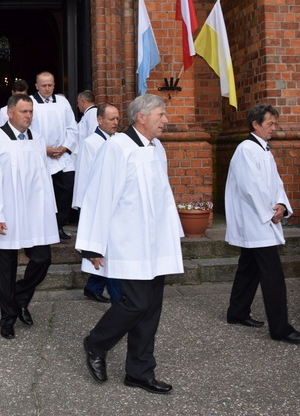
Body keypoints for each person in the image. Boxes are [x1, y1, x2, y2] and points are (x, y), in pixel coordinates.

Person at [77, 94, 183, 395]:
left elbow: (162, 196)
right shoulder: (116, 148)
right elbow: (99, 195)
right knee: (136, 303)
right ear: (141, 117)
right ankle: (97, 342)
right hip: (128, 242)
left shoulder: (156, 148)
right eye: (160, 115)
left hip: (156, 243)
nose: (165, 120)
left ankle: (139, 371)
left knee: (151, 308)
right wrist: (93, 246)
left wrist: (171, 234)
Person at [0, 94, 59, 339]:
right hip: (5, 212)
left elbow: (42, 179)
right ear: (10, 113)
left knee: (42, 259)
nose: (29, 116)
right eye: (24, 111)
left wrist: (48, 212)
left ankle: (20, 297)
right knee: (5, 268)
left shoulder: (37, 139)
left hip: (33, 213)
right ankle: (7, 317)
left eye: (31, 111)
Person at [225, 104, 300, 344]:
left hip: (264, 218)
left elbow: (275, 182)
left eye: (275, 123)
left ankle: (237, 312)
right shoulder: (246, 149)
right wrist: (269, 213)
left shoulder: (263, 149)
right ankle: (280, 329)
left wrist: (282, 205)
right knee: (273, 275)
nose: (274, 128)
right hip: (255, 221)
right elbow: (250, 187)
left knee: (249, 268)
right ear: (255, 124)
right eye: (270, 124)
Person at [72, 103, 122, 304]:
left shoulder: (119, 141)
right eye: (111, 119)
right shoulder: (90, 143)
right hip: (97, 203)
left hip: (113, 203)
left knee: (109, 249)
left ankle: (94, 286)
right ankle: (117, 296)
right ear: (99, 120)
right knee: (104, 248)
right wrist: (86, 206)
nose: (116, 123)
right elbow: (85, 175)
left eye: (118, 119)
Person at [29, 71, 78, 240]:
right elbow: (26, 131)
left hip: (62, 156)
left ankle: (59, 224)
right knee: (43, 194)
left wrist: (65, 147)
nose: (47, 88)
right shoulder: (30, 103)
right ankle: (43, 227)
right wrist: (45, 149)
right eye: (44, 85)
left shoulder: (63, 102)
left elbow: (72, 127)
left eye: (50, 85)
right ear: (36, 86)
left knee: (66, 188)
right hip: (41, 156)